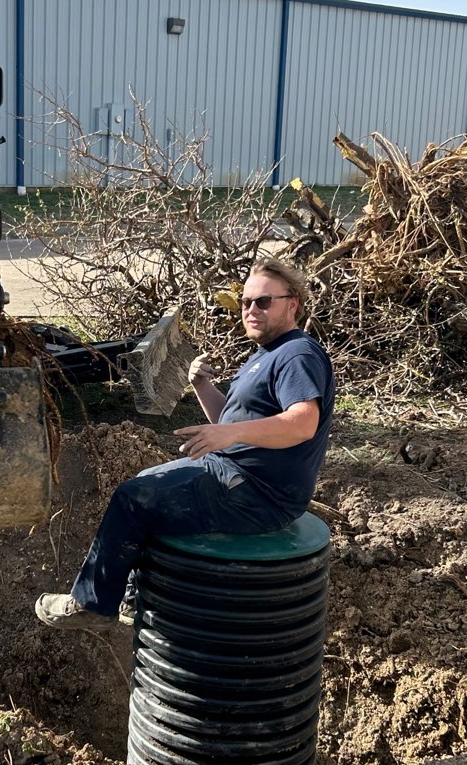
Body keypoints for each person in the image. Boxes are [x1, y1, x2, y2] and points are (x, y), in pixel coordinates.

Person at [34, 258, 335, 630]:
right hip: (235, 475)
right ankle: (132, 596)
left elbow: (303, 423)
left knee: (133, 498)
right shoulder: (267, 353)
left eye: (263, 301)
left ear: (292, 305)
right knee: (146, 483)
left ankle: (92, 605)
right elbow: (233, 424)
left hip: (258, 494)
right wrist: (202, 386)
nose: (251, 310)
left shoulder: (297, 354)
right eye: (245, 302)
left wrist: (231, 435)